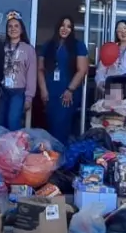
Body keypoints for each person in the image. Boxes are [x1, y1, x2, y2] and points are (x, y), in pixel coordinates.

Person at [38, 16, 88, 145]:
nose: (65, 29)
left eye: (69, 26)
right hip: (50, 92)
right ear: (57, 27)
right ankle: (51, 159)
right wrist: (43, 90)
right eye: (62, 25)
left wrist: (70, 90)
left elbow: (82, 70)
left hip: (67, 93)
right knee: (50, 125)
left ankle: (61, 159)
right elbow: (40, 69)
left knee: (61, 126)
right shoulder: (48, 45)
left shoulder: (78, 45)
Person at [0, 12, 37, 130]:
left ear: (21, 30)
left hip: (18, 92)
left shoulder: (28, 49)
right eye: (10, 26)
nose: (13, 29)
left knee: (13, 121)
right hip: (3, 90)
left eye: (16, 26)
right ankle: (0, 148)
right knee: (0, 121)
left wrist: (29, 97)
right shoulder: (1, 47)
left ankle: (15, 147)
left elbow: (31, 74)